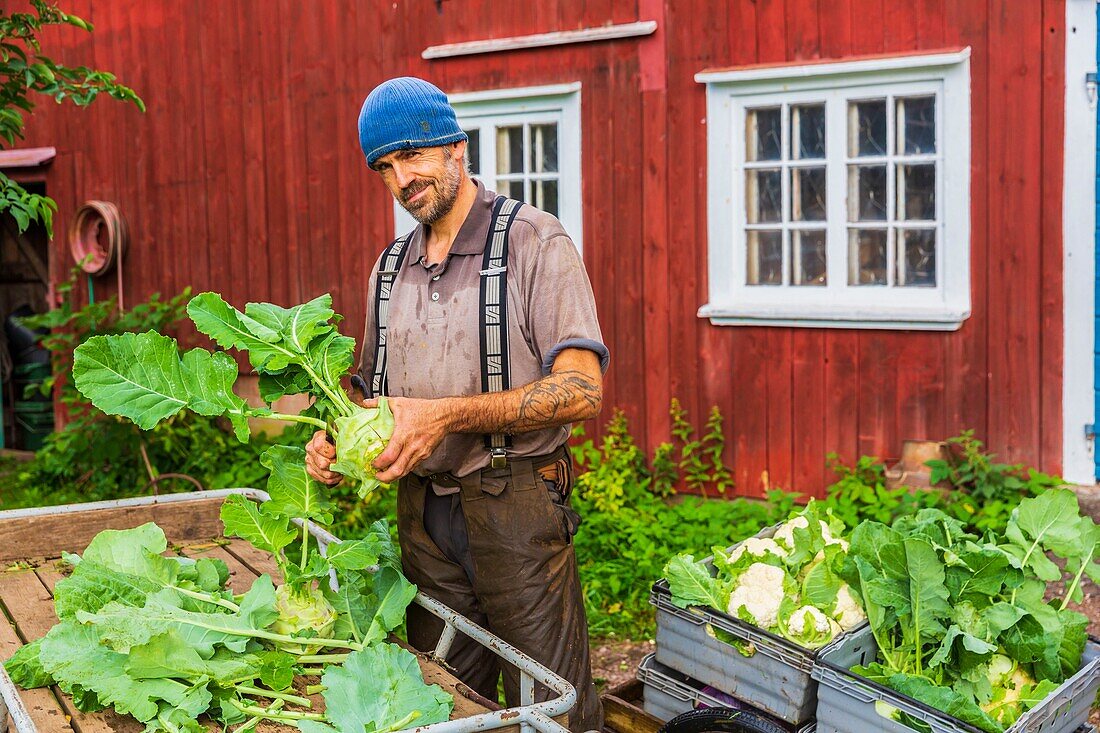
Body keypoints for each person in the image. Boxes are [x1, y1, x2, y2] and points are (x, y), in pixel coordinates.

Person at [304, 76, 607, 733]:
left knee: (549, 706)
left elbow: (583, 388)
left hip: (516, 508)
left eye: (412, 154)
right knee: (443, 700)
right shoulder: (389, 269)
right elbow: (373, 394)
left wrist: (447, 414)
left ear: (456, 147)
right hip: (422, 519)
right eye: (384, 167)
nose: (400, 177)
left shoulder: (532, 241)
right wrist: (334, 437)